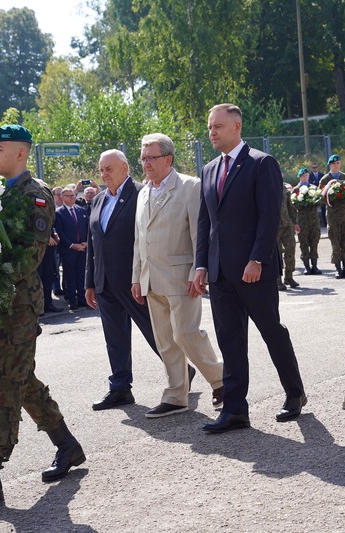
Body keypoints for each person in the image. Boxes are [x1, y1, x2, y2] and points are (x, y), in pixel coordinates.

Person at [0, 125, 84, 517]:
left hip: (19, 305)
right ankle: (66, 444)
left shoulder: (34, 195)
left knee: (6, 383)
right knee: (21, 379)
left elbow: (31, 257)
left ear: (21, 153)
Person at [194, 103, 306, 433]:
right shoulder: (209, 169)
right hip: (219, 272)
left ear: (237, 127)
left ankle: (295, 392)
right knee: (230, 340)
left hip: (253, 269)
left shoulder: (261, 163)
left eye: (218, 126)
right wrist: (201, 264)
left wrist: (257, 258)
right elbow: (205, 223)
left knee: (272, 332)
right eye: (209, 127)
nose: (211, 132)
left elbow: (270, 216)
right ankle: (235, 410)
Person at [85, 149, 192, 411]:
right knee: (115, 338)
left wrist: (142, 276)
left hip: (135, 280)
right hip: (105, 282)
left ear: (124, 168)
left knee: (156, 332)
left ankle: (182, 374)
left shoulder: (141, 194)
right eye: (101, 170)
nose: (104, 174)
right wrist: (89, 282)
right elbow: (93, 243)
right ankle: (120, 388)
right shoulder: (98, 200)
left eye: (109, 169)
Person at [131, 133, 224, 418]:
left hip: (181, 275)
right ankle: (176, 395)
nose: (145, 163)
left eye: (151, 157)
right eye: (143, 157)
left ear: (168, 159)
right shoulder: (143, 191)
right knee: (165, 340)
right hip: (150, 278)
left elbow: (200, 234)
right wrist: (136, 276)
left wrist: (199, 270)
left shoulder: (189, 187)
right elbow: (139, 239)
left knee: (186, 333)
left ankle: (222, 381)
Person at [319, 154, 345, 278]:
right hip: (333, 216)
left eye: (338, 163)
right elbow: (321, 197)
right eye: (333, 163)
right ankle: (338, 268)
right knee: (335, 243)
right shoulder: (325, 179)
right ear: (330, 165)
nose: (336, 165)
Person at [55, 186, 89, 310]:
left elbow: (87, 227)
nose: (72, 197)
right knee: (70, 275)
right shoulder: (59, 213)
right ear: (62, 197)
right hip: (68, 250)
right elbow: (60, 232)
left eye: (73, 195)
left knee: (81, 274)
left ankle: (82, 298)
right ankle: (72, 299)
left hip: (83, 248)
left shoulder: (81, 210)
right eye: (69, 196)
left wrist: (85, 243)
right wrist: (72, 245)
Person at [291, 168, 322, 275]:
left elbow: (320, 201)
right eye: (303, 175)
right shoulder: (296, 190)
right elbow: (292, 205)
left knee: (314, 242)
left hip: (313, 220)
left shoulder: (313, 188)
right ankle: (307, 266)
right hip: (302, 220)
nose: (305, 177)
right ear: (300, 177)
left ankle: (314, 265)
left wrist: (314, 200)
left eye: (307, 175)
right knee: (304, 243)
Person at [276, 183, 300, 290]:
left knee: (291, 249)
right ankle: (277, 279)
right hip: (273, 227)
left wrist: (294, 222)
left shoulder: (282, 186)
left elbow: (289, 205)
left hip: (287, 224)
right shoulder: (264, 185)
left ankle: (289, 277)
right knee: (277, 254)